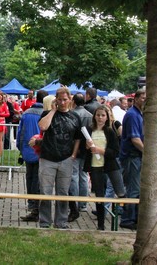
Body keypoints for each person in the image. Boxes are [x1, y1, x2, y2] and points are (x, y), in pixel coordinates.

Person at [37, 87, 82, 229]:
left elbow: (77, 139)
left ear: (70, 99)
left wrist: (73, 155)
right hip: (47, 158)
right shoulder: (47, 113)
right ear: (56, 99)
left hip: (66, 158)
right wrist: (53, 110)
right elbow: (43, 127)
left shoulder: (75, 117)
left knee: (63, 192)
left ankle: (61, 221)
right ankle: (45, 221)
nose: (62, 102)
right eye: (60, 99)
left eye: (65, 99)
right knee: (45, 191)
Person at [83, 105, 126, 230]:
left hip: (110, 165)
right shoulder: (89, 130)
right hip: (96, 167)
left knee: (120, 191)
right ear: (94, 116)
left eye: (103, 115)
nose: (100, 118)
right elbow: (85, 150)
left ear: (107, 117)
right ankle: (101, 225)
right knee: (99, 196)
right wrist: (87, 147)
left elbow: (115, 152)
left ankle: (126, 216)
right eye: (98, 115)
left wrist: (100, 150)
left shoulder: (110, 131)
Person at [17, 89, 47, 222]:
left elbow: (20, 134)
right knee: (38, 179)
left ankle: (32, 203)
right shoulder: (47, 115)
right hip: (41, 151)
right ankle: (36, 205)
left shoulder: (26, 114)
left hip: (28, 149)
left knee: (29, 177)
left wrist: (21, 148)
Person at [119, 88, 146, 230]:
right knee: (133, 189)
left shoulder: (139, 114)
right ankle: (128, 219)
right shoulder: (132, 115)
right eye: (142, 97)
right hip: (132, 157)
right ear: (135, 99)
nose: (145, 100)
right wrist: (147, 154)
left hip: (136, 157)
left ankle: (132, 217)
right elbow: (135, 139)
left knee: (135, 188)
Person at [68, 93, 92, 221]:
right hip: (86, 149)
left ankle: (75, 203)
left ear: (74, 102)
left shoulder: (72, 114)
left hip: (74, 149)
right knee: (84, 176)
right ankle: (83, 203)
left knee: (74, 175)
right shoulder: (90, 115)